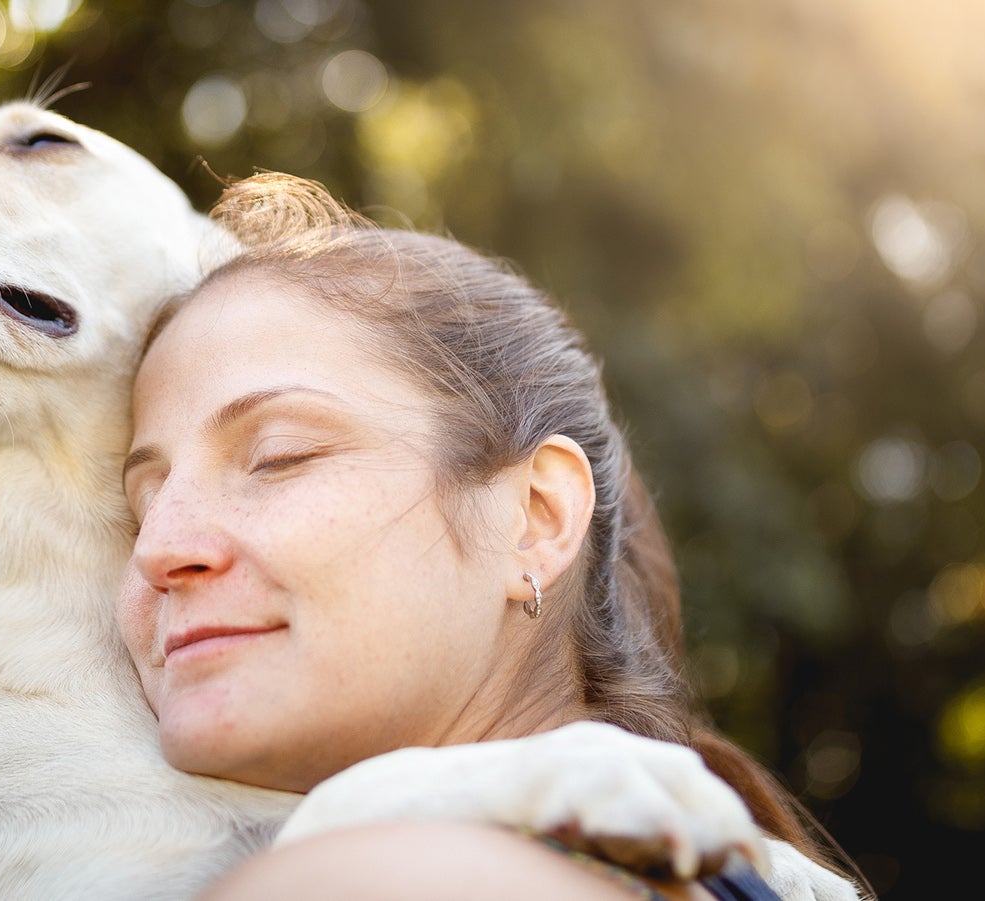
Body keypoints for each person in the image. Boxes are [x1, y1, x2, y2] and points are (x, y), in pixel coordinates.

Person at [116, 172, 869, 900]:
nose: (157, 548)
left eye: (279, 456)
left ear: (535, 517)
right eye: (139, 508)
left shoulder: (358, 884)